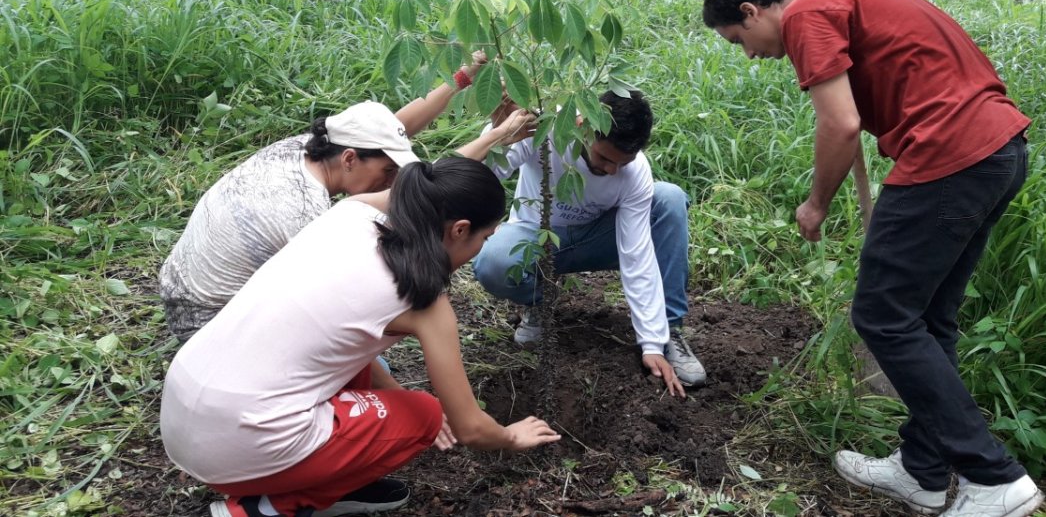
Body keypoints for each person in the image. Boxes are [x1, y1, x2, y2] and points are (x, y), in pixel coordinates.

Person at [703, 0, 1042, 517]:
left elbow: (840, 123)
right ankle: (923, 470)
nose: (750, 53)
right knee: (927, 320)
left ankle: (993, 477)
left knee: (883, 316)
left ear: (751, 10)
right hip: (997, 151)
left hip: (949, 154)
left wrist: (816, 204)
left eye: (739, 39)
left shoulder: (806, 16)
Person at [160, 158, 561, 517]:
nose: (480, 248)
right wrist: (511, 436)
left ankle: (330, 477)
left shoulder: (350, 214)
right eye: (485, 238)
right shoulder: (425, 302)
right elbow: (471, 429)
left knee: (365, 374)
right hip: (235, 447)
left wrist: (392, 397)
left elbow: (345, 340)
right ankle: (269, 507)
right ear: (460, 230)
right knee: (424, 415)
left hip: (184, 412)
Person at [159, 51, 535, 343]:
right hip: (211, 327)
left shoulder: (303, 149)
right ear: (351, 159)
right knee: (357, 351)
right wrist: (494, 137)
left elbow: (395, 129)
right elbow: (422, 190)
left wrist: (464, 78)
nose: (392, 180)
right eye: (388, 171)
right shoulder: (305, 214)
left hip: (183, 293)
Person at [472, 90, 707, 397]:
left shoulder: (635, 172)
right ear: (583, 126)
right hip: (534, 237)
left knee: (668, 198)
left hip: (596, 241)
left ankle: (669, 331)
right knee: (494, 261)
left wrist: (651, 343)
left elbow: (637, 256)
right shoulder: (543, 125)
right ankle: (538, 300)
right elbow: (483, 176)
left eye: (622, 163)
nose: (611, 170)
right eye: (605, 158)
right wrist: (499, 133)